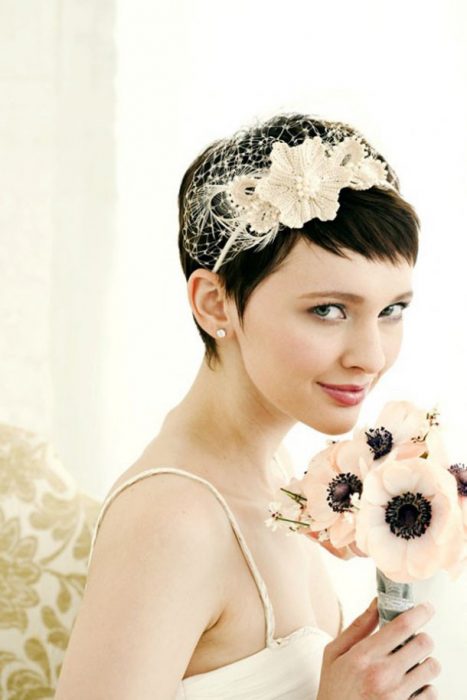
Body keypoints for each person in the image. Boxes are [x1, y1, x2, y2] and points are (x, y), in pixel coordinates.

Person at [55, 113, 441, 699]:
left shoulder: (277, 472)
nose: (371, 356)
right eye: (329, 309)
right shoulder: (173, 521)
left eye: (391, 310)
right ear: (215, 304)